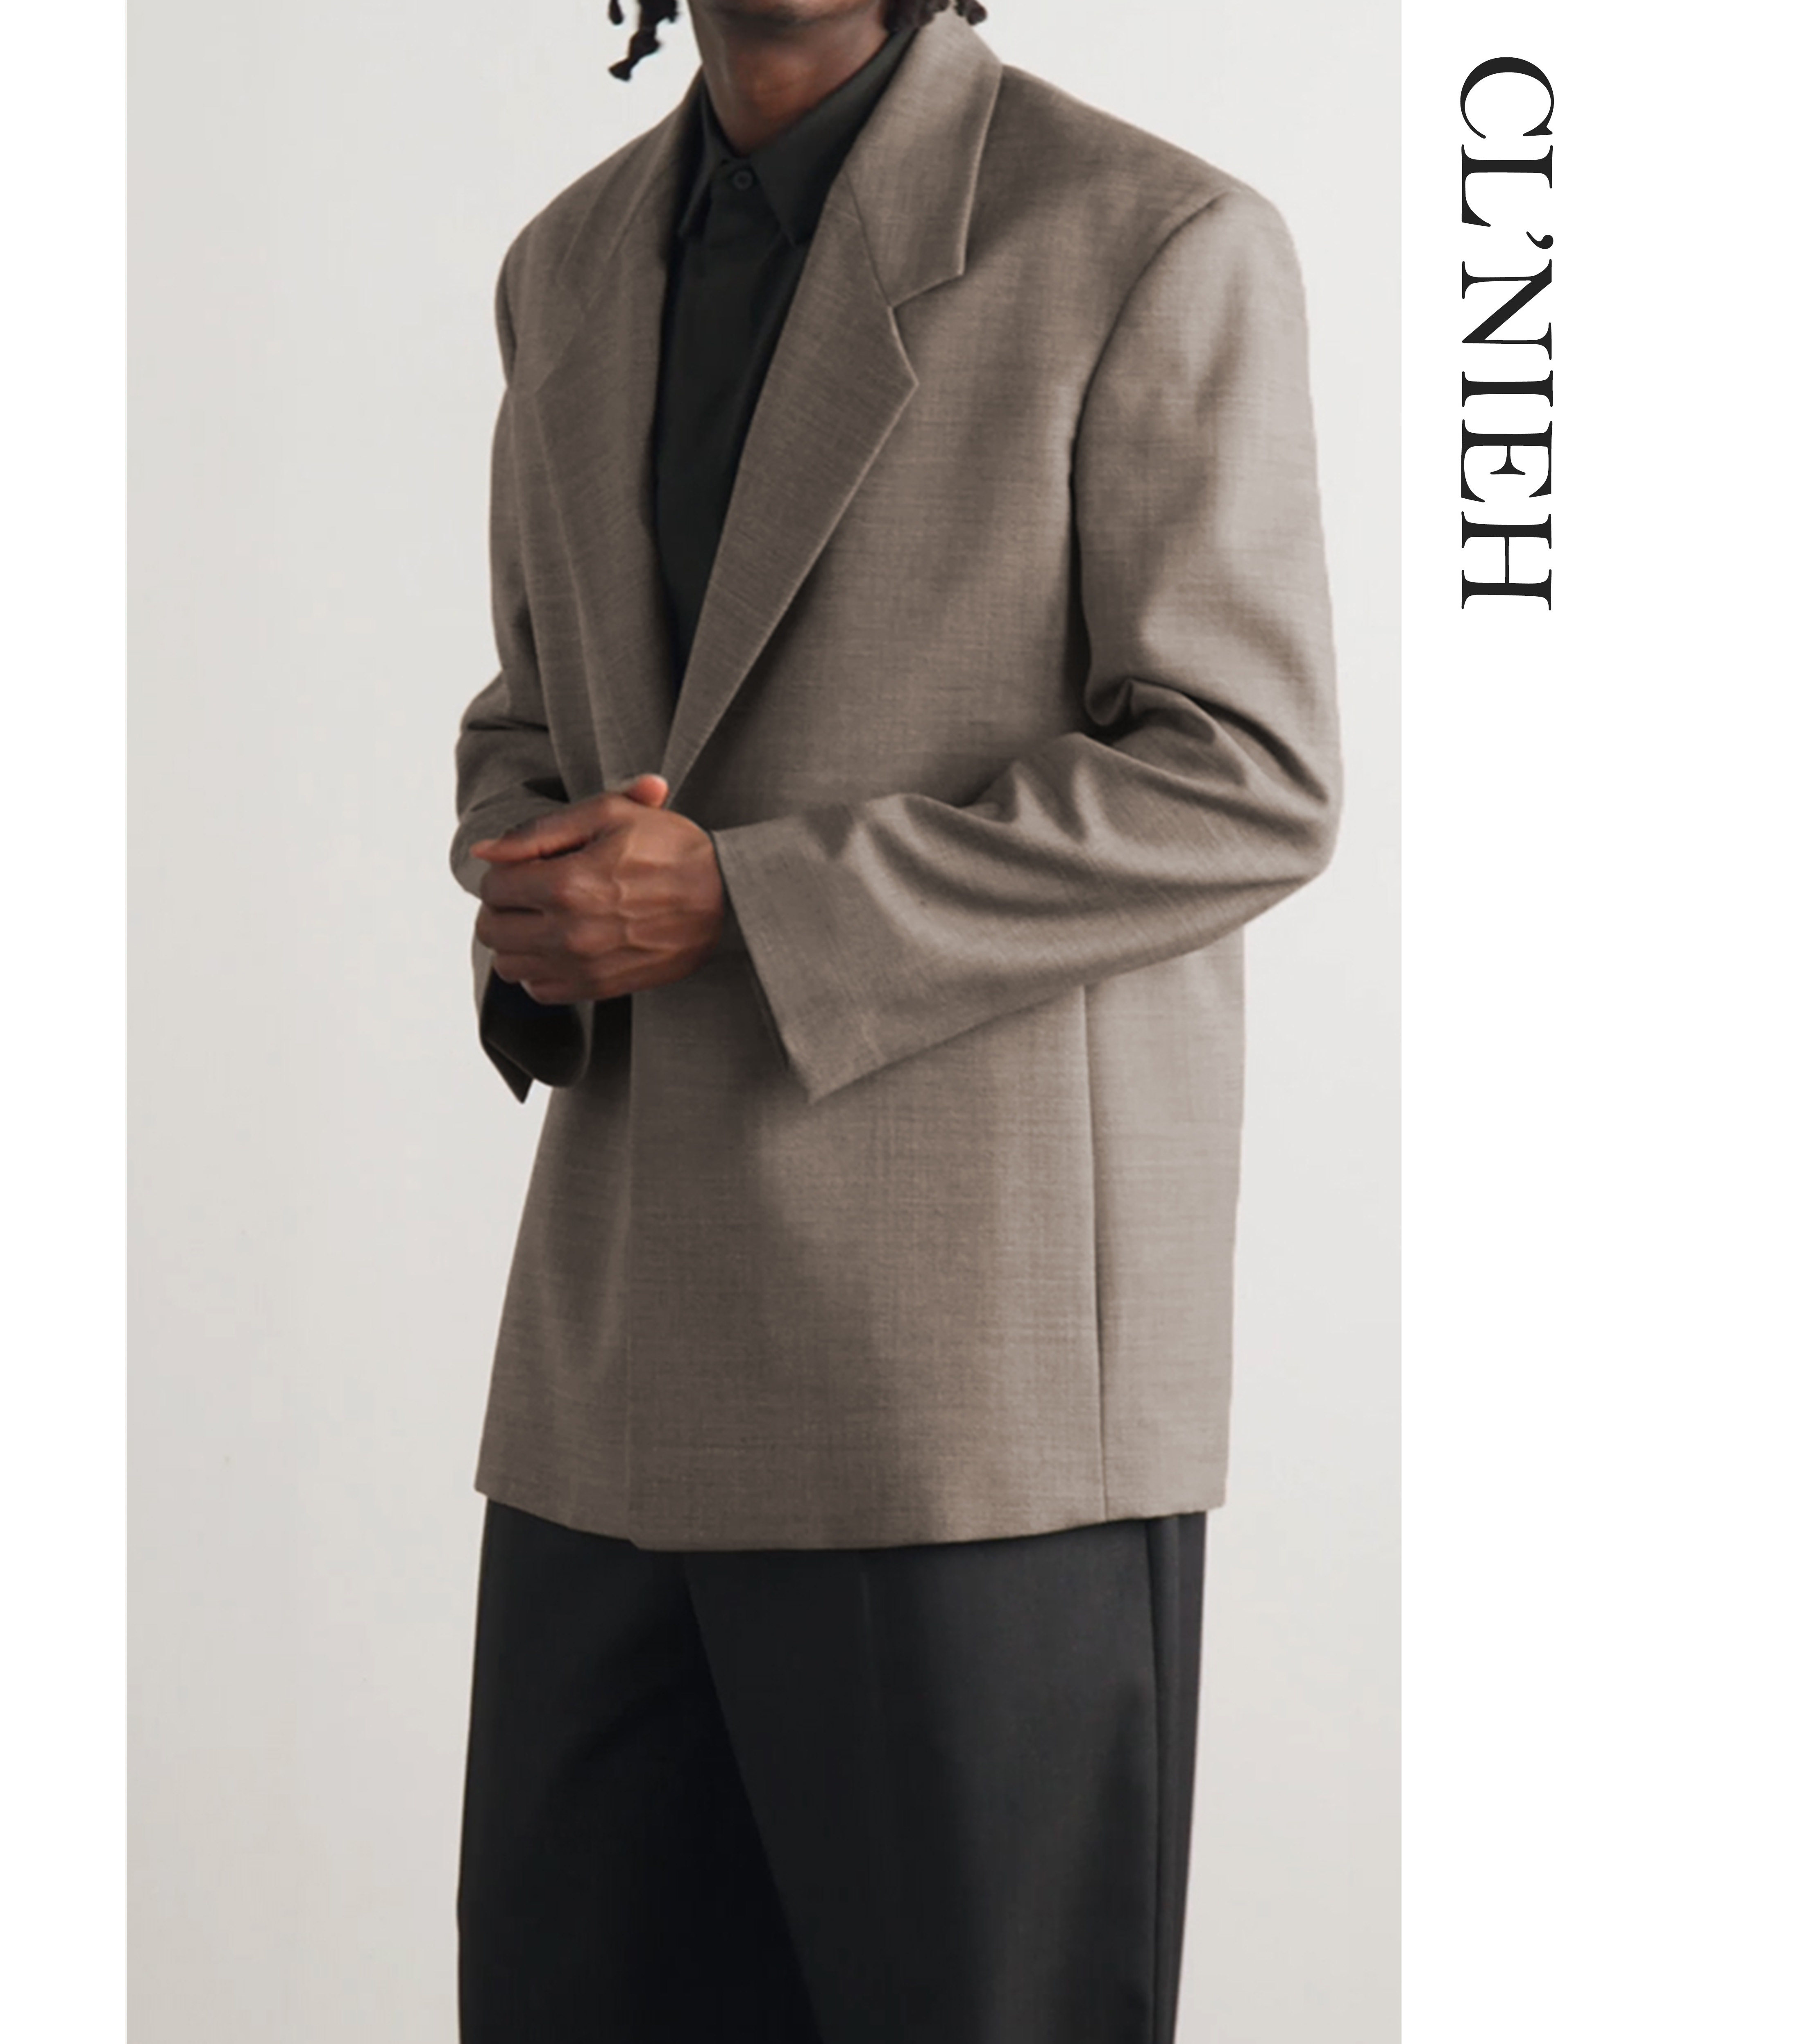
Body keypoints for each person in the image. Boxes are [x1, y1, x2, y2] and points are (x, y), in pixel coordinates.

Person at [447, 2, 1341, 2037]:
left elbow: (1244, 772)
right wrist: (527, 874)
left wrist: (750, 901)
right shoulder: (566, 263)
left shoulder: (1146, 235)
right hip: (609, 1377)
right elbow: (532, 711)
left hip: (966, 1408)